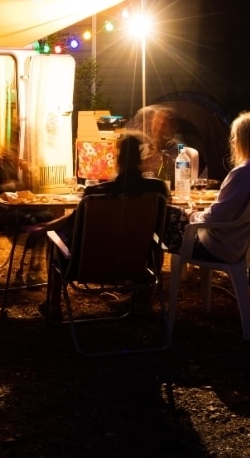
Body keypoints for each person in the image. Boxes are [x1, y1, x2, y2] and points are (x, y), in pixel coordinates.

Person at [39, 132, 168, 321]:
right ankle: (141, 302)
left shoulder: (95, 193)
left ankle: (53, 306)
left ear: (117, 158)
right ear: (140, 157)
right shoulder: (158, 190)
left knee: (55, 240)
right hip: (137, 265)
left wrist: (47, 226)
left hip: (89, 265)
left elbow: (73, 222)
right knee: (156, 243)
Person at [163, 110, 250, 262]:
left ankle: (145, 274)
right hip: (244, 242)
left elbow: (216, 216)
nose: (233, 141)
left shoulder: (245, 173)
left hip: (219, 247)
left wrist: (192, 215)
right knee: (175, 213)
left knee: (161, 212)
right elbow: (228, 209)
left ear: (246, 139)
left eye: (235, 136)